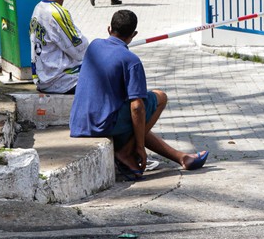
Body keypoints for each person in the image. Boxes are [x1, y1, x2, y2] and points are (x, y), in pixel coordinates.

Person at [69, 9, 208, 178]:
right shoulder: (131, 60)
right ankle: (126, 152)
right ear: (134, 34)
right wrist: (140, 147)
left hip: (79, 123)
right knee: (159, 98)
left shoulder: (94, 46)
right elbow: (137, 108)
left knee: (138, 125)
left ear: (108, 29)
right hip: (101, 125)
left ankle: (182, 158)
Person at [30, 0, 89, 94]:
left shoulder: (38, 8)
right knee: (108, 74)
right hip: (59, 80)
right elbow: (80, 50)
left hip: (43, 78)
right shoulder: (57, 13)